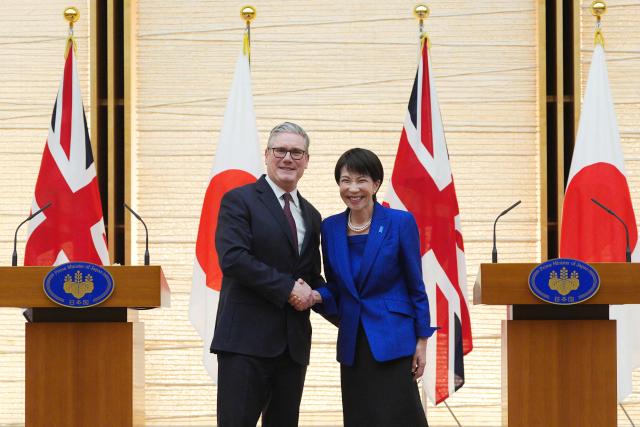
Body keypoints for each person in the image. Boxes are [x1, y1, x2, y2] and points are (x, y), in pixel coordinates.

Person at [291, 148, 437, 426]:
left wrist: (422, 340)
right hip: (354, 341)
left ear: (376, 184)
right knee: (361, 417)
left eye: (362, 180)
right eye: (345, 180)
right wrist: (315, 295)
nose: (353, 188)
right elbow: (335, 285)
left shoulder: (400, 222)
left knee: (402, 418)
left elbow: (415, 285)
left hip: (394, 338)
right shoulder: (330, 227)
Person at [212, 122, 323, 427]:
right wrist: (289, 289)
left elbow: (312, 278)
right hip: (245, 344)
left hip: (293, 348)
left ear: (307, 160)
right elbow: (233, 259)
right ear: (267, 154)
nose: (288, 158)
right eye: (281, 150)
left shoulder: (312, 215)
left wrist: (359, 314)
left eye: (297, 152)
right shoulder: (239, 200)